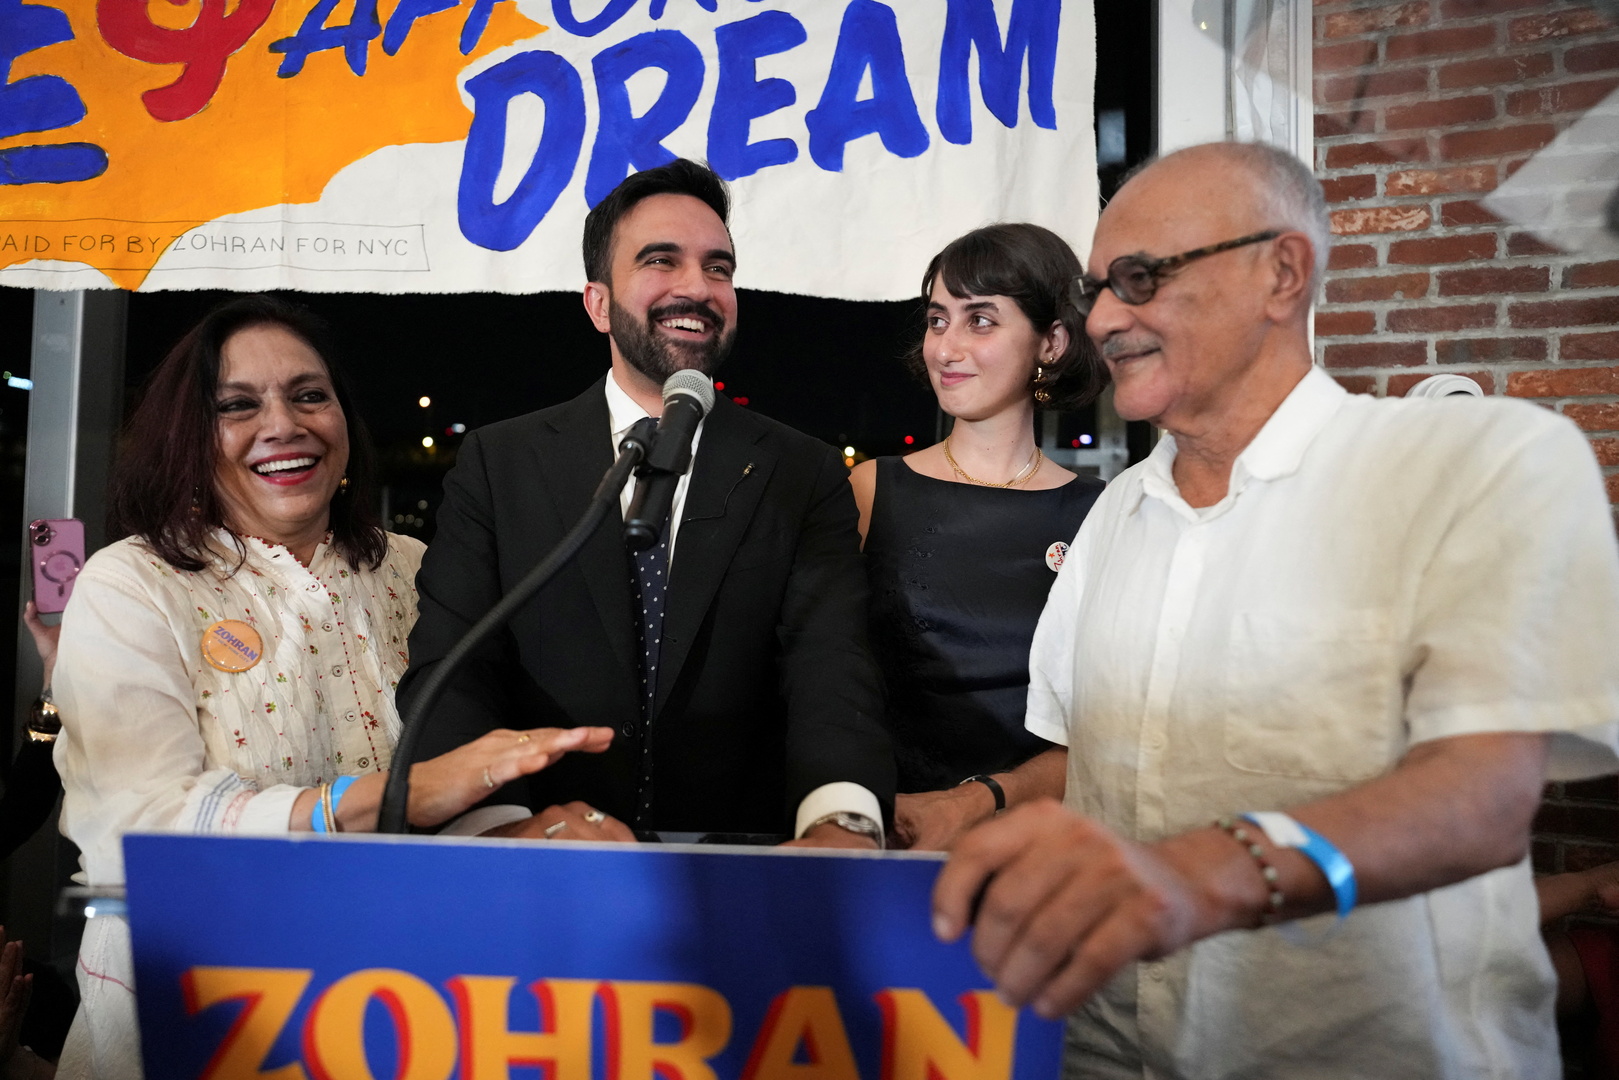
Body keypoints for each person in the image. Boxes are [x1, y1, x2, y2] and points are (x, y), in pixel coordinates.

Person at [931, 141, 1619, 1079]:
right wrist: (969, 811)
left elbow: (1482, 800)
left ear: (1281, 273)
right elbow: (1087, 766)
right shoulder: (1113, 521)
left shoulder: (1480, 461)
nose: (1101, 318)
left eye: (1137, 278)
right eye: (1097, 289)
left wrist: (1196, 877)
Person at [50, 296, 613, 1080]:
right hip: (194, 1018)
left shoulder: (417, 571)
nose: (283, 424)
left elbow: (458, 773)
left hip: (395, 1008)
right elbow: (136, 827)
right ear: (186, 436)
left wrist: (524, 835)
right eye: (237, 406)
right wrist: (388, 798)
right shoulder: (132, 584)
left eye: (309, 394)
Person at [400, 159, 894, 846]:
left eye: (718, 268)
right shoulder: (499, 462)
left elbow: (831, 670)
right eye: (661, 261)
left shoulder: (800, 470)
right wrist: (503, 827)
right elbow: (451, 667)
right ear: (598, 302)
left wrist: (840, 824)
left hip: (746, 865)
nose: (697, 287)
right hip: (543, 862)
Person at [847, 224, 1106, 850]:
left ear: (1051, 341)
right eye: (938, 320)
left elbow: (1099, 735)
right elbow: (825, 686)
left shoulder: (1099, 515)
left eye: (981, 321)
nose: (946, 347)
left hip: (1036, 851)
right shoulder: (870, 490)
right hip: (890, 835)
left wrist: (979, 804)